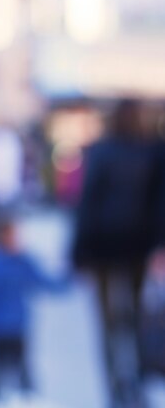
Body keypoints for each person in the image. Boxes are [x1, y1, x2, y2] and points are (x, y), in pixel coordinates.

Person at [71, 99, 160, 408]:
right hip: (136, 244)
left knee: (109, 321)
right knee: (133, 317)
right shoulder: (151, 150)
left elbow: (87, 203)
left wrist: (79, 250)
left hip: (105, 245)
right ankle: (132, 382)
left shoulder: (104, 150)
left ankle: (115, 383)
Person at [0, 213, 67, 403]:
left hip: (19, 325)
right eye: (10, 235)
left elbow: (45, 281)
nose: (14, 239)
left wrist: (68, 280)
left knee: (21, 363)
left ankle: (26, 392)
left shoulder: (23, 261)